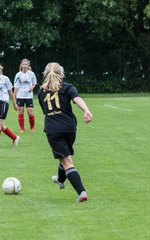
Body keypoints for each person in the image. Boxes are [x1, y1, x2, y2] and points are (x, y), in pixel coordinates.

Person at [38, 62, 92, 202]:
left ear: (45, 74)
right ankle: (60, 180)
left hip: (53, 130)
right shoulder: (68, 87)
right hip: (69, 129)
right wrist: (86, 110)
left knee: (67, 161)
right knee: (65, 156)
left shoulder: (41, 92)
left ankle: (82, 192)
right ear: (61, 73)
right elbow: (77, 99)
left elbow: (46, 112)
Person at [14, 58, 37, 133]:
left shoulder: (31, 74)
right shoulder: (18, 75)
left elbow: (34, 83)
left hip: (29, 96)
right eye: (23, 64)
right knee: (21, 111)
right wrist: (14, 97)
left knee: (30, 112)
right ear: (21, 65)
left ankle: (32, 128)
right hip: (20, 95)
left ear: (28, 65)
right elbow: (16, 87)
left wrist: (32, 88)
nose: (25, 65)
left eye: (26, 64)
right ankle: (22, 129)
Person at [0, 64, 20, 146]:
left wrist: (14, 103)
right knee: (1, 125)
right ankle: (14, 137)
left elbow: (10, 92)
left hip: (3, 102)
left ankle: (14, 138)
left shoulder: (5, 79)